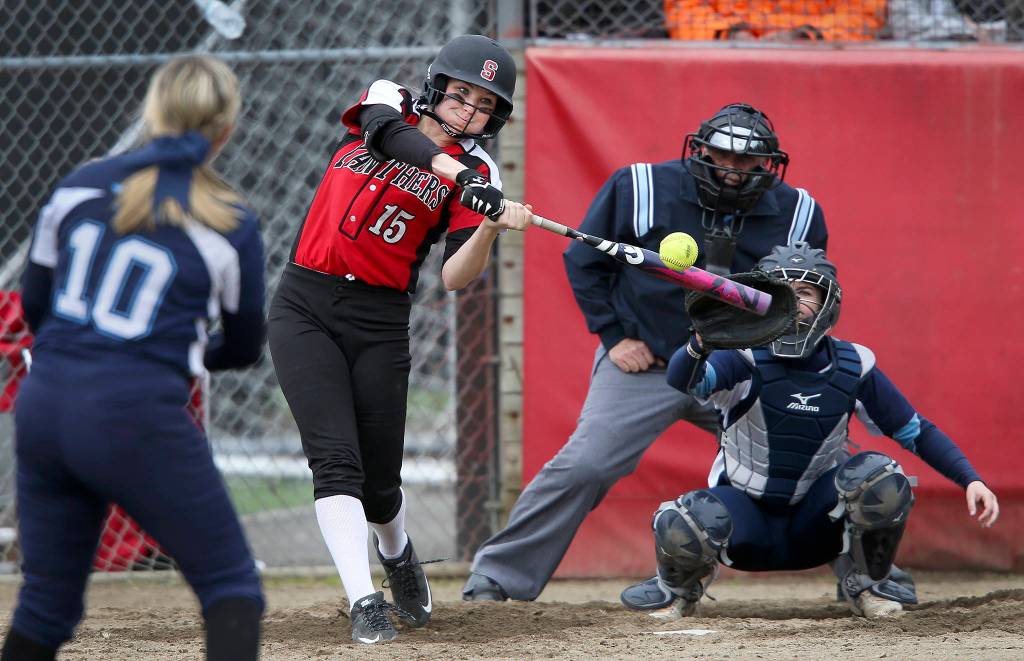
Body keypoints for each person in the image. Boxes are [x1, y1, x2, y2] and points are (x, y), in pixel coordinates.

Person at [464, 103, 828, 602]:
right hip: (650, 362)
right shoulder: (639, 187)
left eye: (749, 163)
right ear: (699, 150)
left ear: (769, 164)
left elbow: (810, 296)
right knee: (586, 463)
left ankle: (870, 573)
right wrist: (615, 336)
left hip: (742, 369)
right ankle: (497, 578)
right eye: (723, 156)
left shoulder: (798, 212)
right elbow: (585, 263)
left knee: (818, 451)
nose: (734, 170)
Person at [267, 34, 532, 644]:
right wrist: (455, 175)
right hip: (303, 302)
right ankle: (364, 601)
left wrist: (490, 227)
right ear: (437, 86)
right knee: (335, 460)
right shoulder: (389, 101)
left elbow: (453, 277)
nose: (468, 111)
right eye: (461, 94)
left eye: (484, 104)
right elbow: (390, 135)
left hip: (379, 319)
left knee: (381, 482)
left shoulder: (482, 172)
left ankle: (398, 551)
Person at [2, 55, 266, 660]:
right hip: (133, 411)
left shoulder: (79, 185)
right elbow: (247, 344)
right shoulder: (228, 220)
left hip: (45, 406)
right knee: (231, 590)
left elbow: (37, 308)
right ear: (225, 129)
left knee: (46, 607)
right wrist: (181, 356)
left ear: (153, 112)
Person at [620, 243, 999, 619]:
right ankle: (681, 590)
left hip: (817, 526)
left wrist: (970, 479)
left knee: (882, 477)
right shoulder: (741, 356)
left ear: (827, 302)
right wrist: (700, 342)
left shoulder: (854, 365)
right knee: (682, 519)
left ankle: (867, 584)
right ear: (758, 300)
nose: (794, 301)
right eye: (781, 292)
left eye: (805, 292)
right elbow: (683, 381)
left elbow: (916, 431)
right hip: (746, 522)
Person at [663, 0, 886, 41]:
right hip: (728, 48)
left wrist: (805, 35)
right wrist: (728, 34)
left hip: (813, 50)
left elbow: (863, 14)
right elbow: (684, 9)